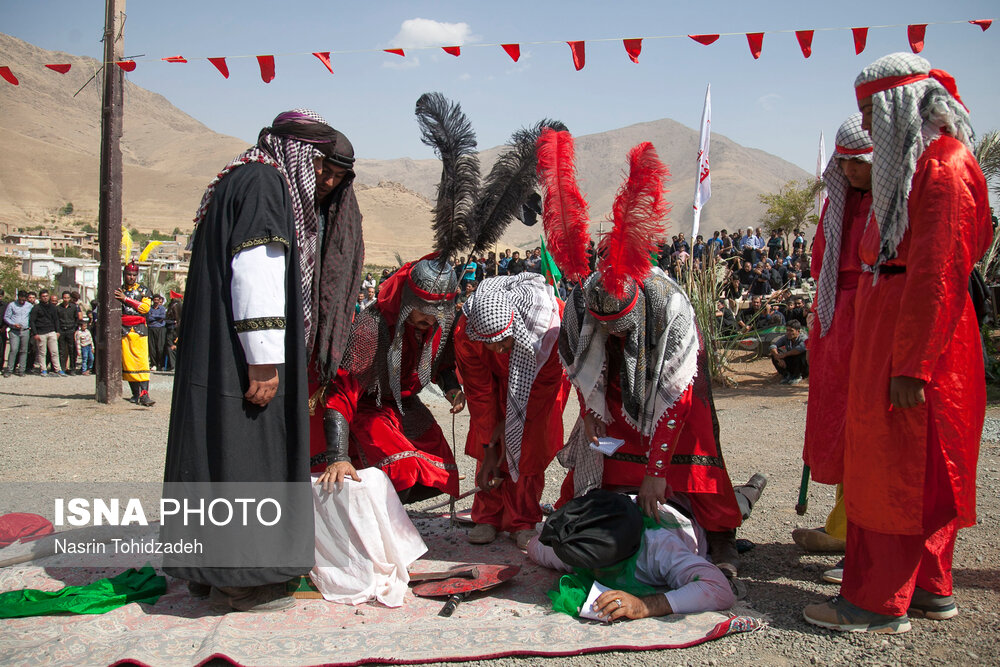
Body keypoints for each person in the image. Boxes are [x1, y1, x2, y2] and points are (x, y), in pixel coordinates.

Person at [804, 53, 992, 634]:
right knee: (920, 467)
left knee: (895, 469)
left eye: (870, 111)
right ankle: (930, 589)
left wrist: (912, 364)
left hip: (913, 343)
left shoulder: (942, 168)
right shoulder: (924, 168)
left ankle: (874, 601)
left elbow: (940, 271)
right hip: (896, 329)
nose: (866, 123)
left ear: (897, 109)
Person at [163, 109, 360, 613]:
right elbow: (258, 270)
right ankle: (244, 580)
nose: (327, 183)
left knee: (215, 459)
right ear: (301, 155)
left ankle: (209, 574)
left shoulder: (238, 176)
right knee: (251, 459)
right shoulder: (266, 183)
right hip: (243, 358)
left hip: (217, 352)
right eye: (324, 169)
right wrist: (265, 361)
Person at [315, 256, 465, 503]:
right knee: (402, 469)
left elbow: (442, 365)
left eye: (438, 310)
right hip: (369, 407)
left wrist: (452, 390)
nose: (431, 317)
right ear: (409, 299)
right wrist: (338, 457)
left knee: (441, 475)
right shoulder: (373, 325)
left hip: (407, 405)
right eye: (425, 308)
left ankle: (389, 519)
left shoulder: (439, 324)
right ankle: (377, 525)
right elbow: (342, 389)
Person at [794, 113, 873, 555]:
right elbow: (822, 261)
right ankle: (843, 527)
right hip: (835, 322)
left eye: (857, 162)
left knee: (869, 424)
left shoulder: (894, 202)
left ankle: (858, 535)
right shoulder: (838, 203)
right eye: (842, 163)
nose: (848, 171)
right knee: (841, 423)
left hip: (873, 315)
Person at [454, 274, 570, 549]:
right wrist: (490, 445)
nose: (498, 349)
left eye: (504, 343)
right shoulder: (467, 334)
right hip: (494, 380)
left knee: (528, 443)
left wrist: (510, 426)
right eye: (490, 345)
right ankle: (487, 516)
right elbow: (480, 392)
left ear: (515, 326)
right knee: (487, 442)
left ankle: (523, 519)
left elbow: (541, 389)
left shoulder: (549, 331)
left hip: (538, 383)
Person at [114, 262, 154, 404]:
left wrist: (126, 299)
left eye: (134, 275)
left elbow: (145, 309)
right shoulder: (118, 289)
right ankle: (135, 393)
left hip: (139, 329)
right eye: (129, 274)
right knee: (128, 362)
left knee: (141, 361)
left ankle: (145, 394)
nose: (131, 277)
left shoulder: (144, 291)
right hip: (124, 329)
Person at [30, 292, 63, 377]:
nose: (45, 298)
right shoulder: (36, 308)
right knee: (42, 353)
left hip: (51, 331)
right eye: (43, 296)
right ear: (40, 297)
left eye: (46, 296)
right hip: (41, 332)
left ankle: (58, 369)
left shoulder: (53, 307)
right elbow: (32, 321)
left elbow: (56, 320)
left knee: (55, 351)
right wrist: (35, 333)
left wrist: (58, 331)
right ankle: (43, 369)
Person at [3, 291, 32, 377]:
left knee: (24, 351)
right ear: (18, 297)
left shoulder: (29, 306)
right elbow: (6, 317)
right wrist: (12, 324)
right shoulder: (12, 305)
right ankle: (9, 369)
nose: (22, 301)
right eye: (20, 299)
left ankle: (21, 370)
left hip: (25, 330)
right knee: (13, 350)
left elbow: (32, 317)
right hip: (14, 331)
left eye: (24, 299)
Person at [146, 294, 167, 372]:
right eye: (155, 300)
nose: (156, 302)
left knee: (160, 347)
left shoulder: (162, 308)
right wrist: (156, 317)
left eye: (157, 300)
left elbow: (163, 317)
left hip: (160, 329)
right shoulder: (149, 309)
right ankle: (153, 364)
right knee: (152, 347)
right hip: (151, 328)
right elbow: (148, 317)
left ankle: (160, 364)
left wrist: (153, 317)